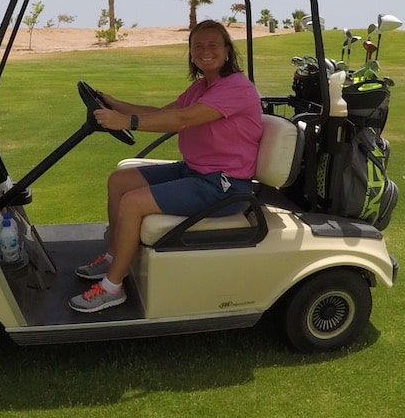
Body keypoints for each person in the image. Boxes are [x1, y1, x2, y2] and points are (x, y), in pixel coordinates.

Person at [69, 19, 264, 313]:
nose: (204, 50)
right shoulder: (202, 87)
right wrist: (114, 103)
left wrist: (126, 122)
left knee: (133, 202)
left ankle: (112, 288)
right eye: (197, 45)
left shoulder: (236, 88)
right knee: (119, 181)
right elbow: (163, 113)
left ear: (227, 50)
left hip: (223, 186)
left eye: (213, 44)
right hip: (195, 171)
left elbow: (180, 121)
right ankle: (113, 257)